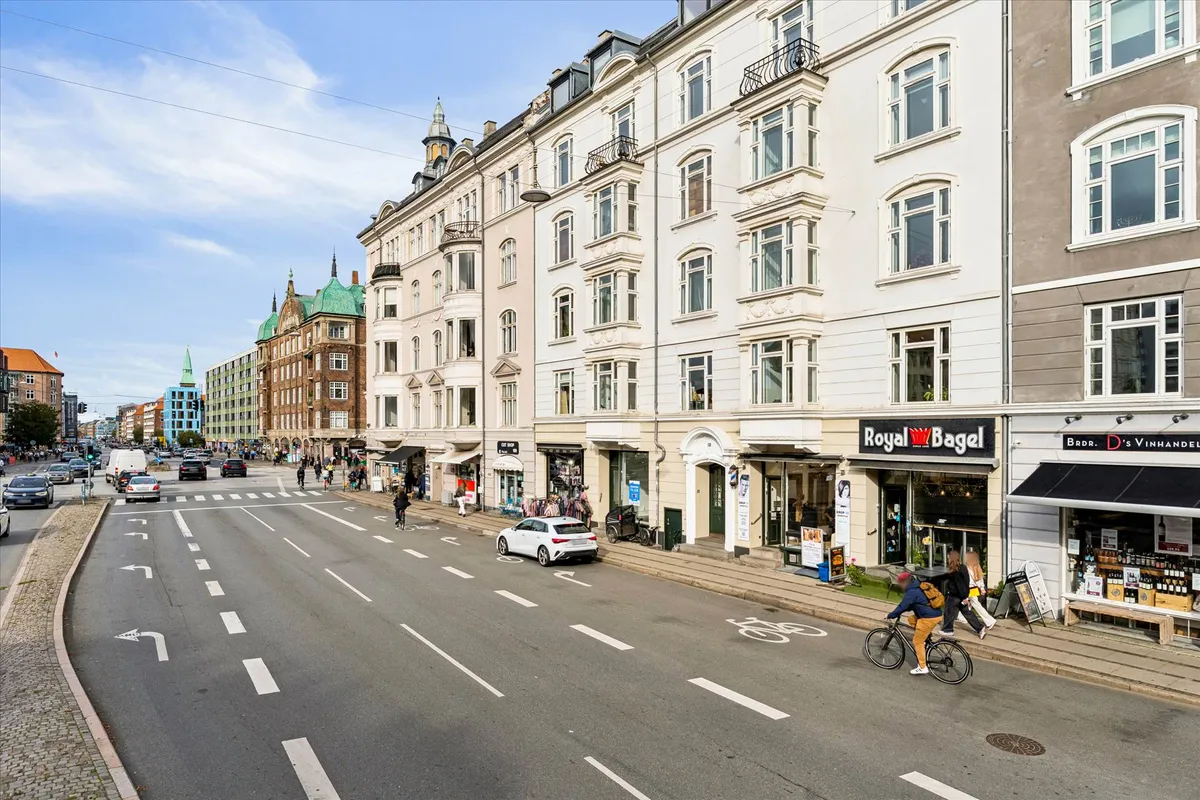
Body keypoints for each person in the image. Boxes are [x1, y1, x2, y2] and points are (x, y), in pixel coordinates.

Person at [885, 571, 944, 675]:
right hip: (936, 614)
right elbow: (913, 605)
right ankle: (925, 638)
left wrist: (890, 615)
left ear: (905, 582)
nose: (900, 586)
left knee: (917, 642)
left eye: (900, 584)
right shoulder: (918, 586)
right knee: (911, 619)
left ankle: (922, 667)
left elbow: (902, 606)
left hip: (928, 618)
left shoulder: (911, 592)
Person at [940, 550, 987, 640]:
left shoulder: (955, 571)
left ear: (952, 558)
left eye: (949, 557)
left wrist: (964, 597)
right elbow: (966, 582)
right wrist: (965, 596)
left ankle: (948, 630)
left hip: (955, 595)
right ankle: (980, 628)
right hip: (962, 596)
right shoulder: (963, 568)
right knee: (967, 613)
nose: (947, 559)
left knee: (949, 612)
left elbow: (959, 585)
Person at [965, 551, 997, 630]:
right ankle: (963, 618)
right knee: (969, 605)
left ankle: (990, 621)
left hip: (969, 590)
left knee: (976, 606)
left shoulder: (967, 568)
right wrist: (982, 588)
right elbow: (980, 580)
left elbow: (968, 580)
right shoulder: (977, 567)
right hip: (974, 589)